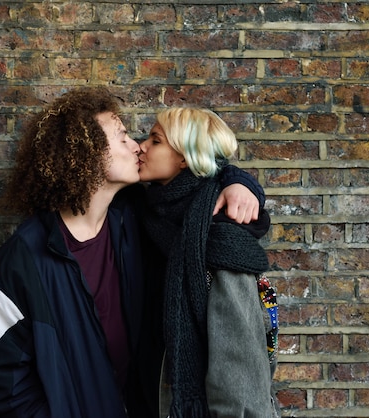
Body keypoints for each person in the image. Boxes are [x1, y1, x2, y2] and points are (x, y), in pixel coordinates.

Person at [0, 88, 265, 417]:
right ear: (87, 154)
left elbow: (198, 176)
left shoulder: (137, 222)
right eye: (123, 137)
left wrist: (238, 182)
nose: (137, 145)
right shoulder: (24, 258)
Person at [138, 107, 279, 418]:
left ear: (185, 158)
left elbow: (239, 364)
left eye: (156, 140)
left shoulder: (219, 234)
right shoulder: (150, 215)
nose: (142, 146)